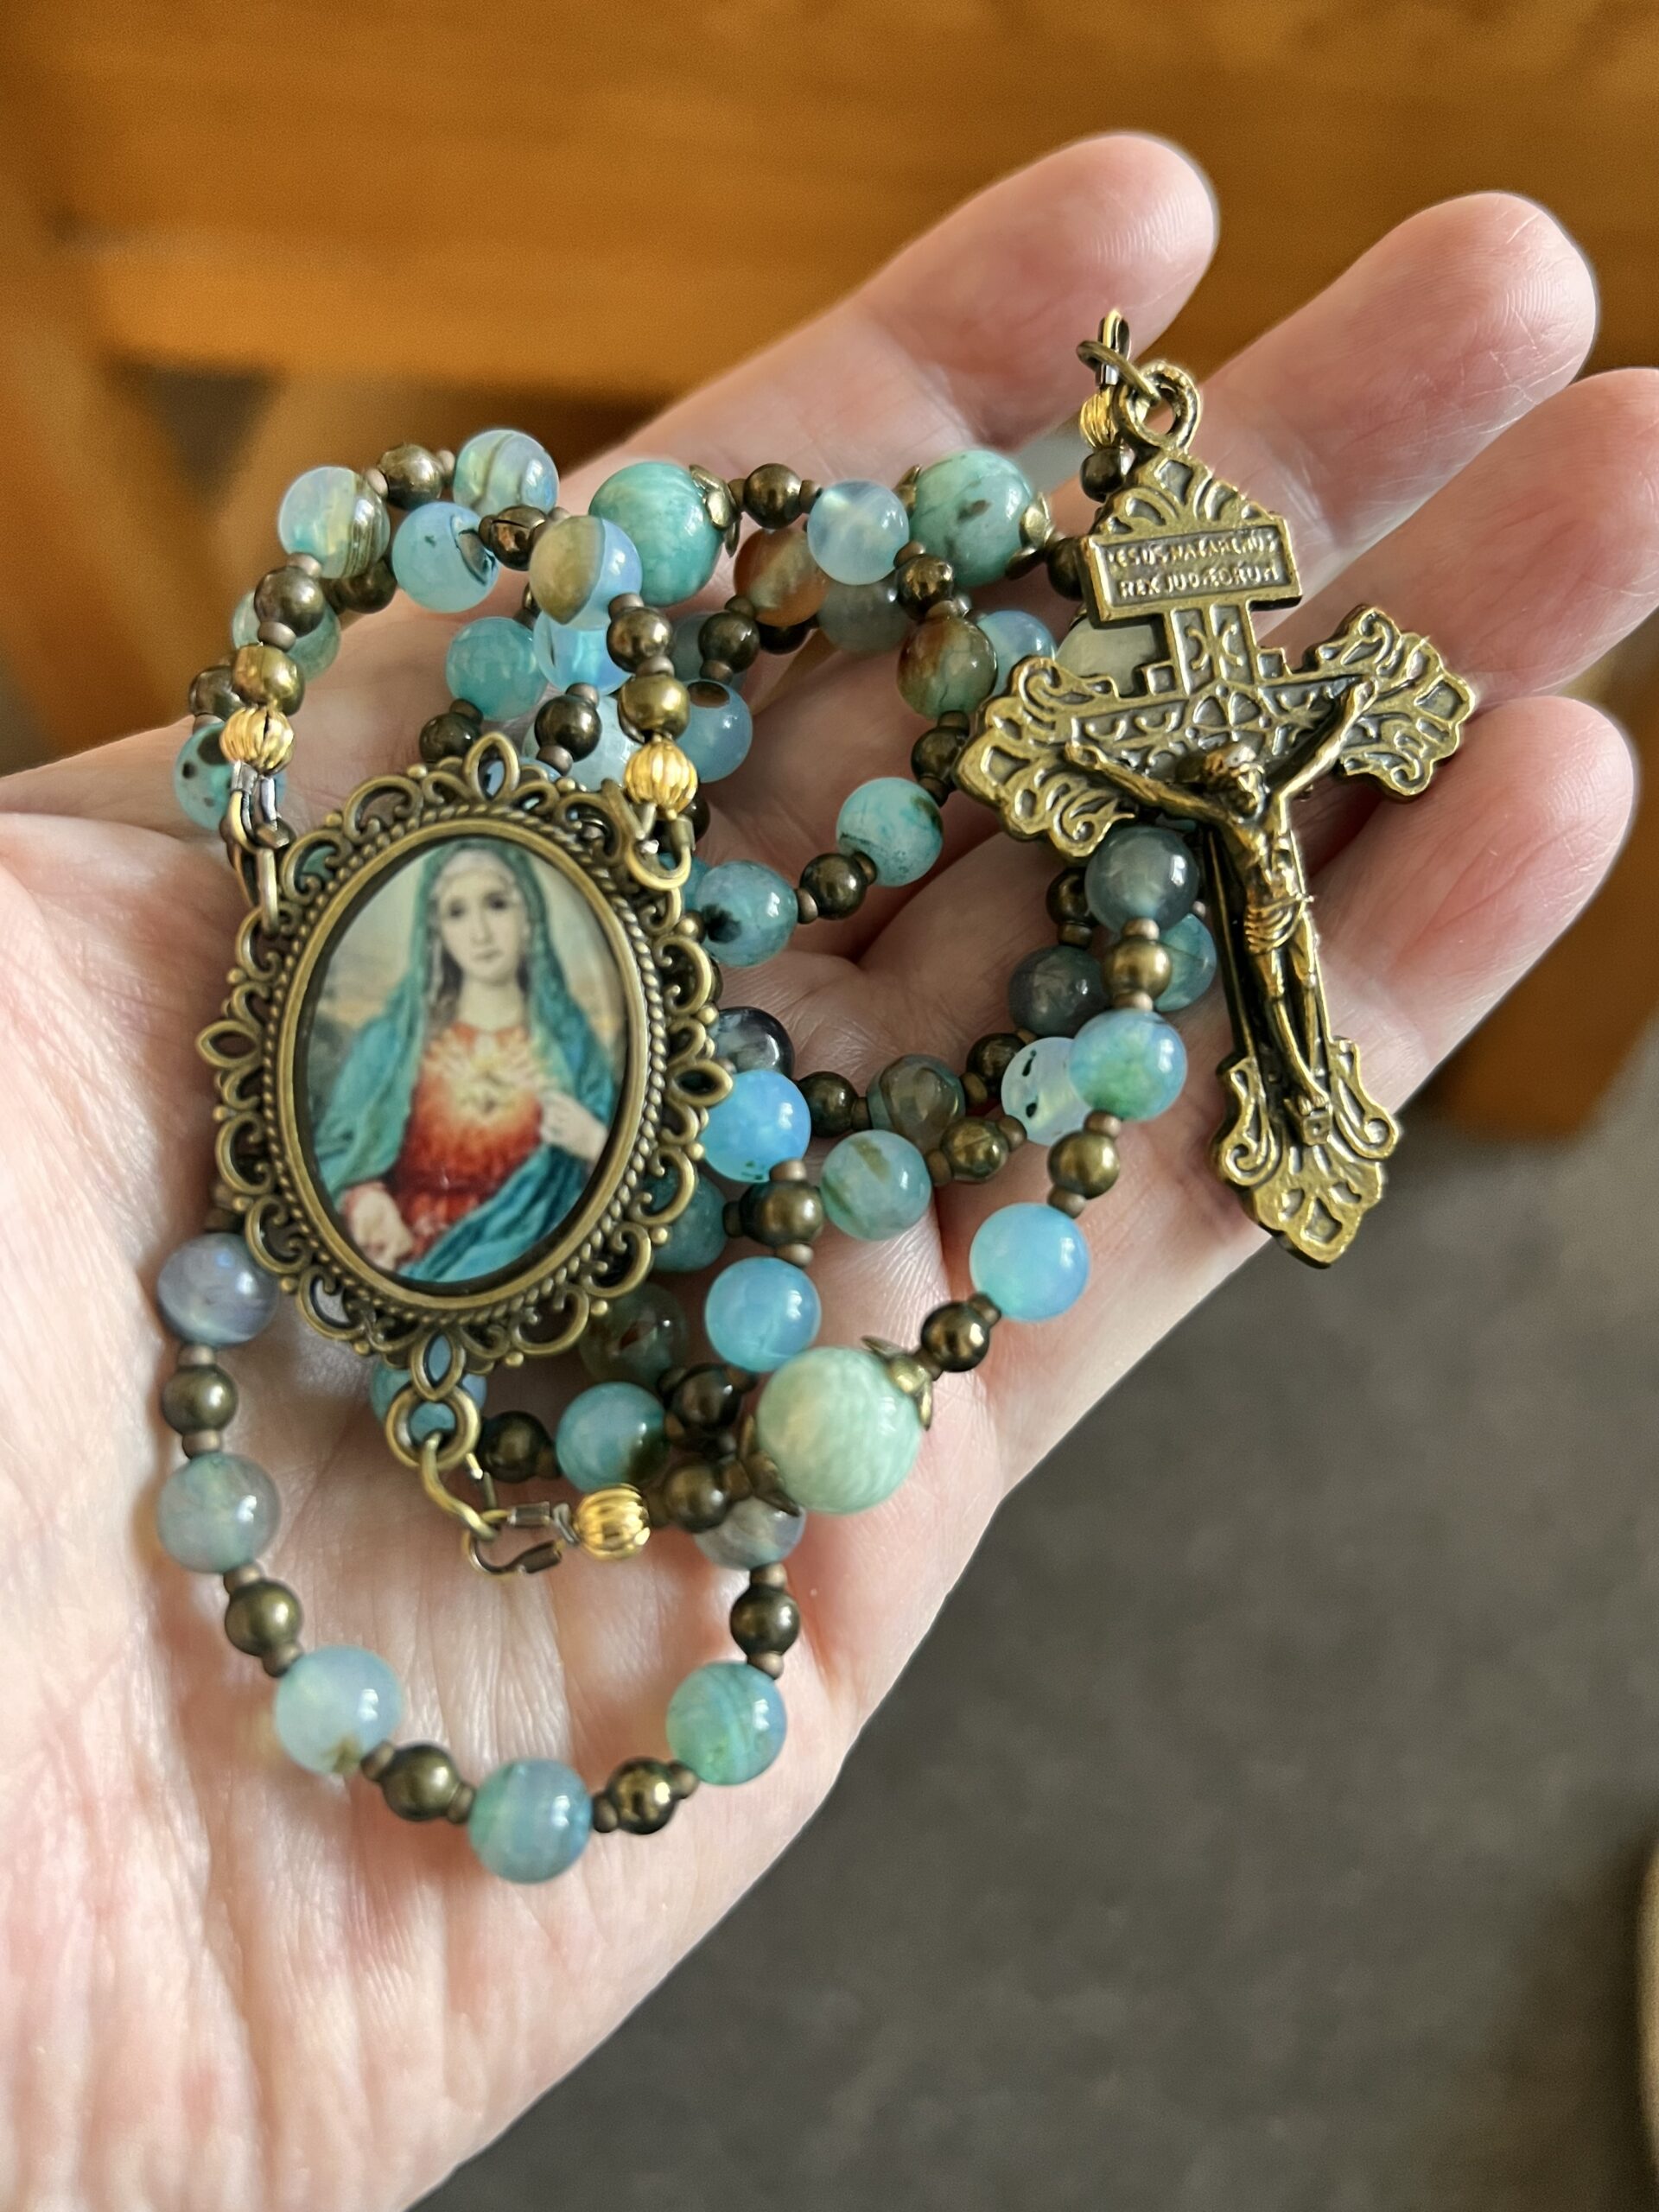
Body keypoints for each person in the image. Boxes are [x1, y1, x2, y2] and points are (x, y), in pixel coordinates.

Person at [0, 137, 1644, 2211]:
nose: (483, 930)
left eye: (499, 921)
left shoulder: (616, 1035)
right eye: (473, 920)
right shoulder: (394, 995)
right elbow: (406, 1126)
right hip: (412, 1218)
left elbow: (583, 1113)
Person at [314, 841, 617, 1283]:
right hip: (402, 1266)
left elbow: (619, 1169)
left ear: (529, 916)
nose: (480, 933)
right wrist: (364, 1201)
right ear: (436, 931)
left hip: (532, 1269)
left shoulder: (573, 1050)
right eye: (456, 912)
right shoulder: (393, 1044)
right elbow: (333, 1155)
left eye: (497, 904)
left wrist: (594, 1143)